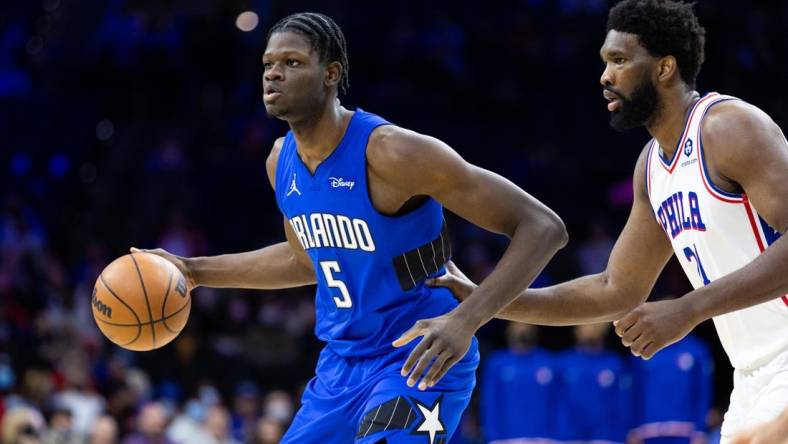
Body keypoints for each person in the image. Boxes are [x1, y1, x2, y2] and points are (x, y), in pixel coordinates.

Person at [135, 12, 567, 444]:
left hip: (418, 355)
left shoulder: (391, 152)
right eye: (268, 64)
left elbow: (542, 227)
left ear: (331, 74)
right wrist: (193, 271)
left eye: (292, 62)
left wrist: (465, 320)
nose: (273, 74)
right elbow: (304, 259)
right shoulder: (279, 162)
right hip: (340, 368)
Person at [429, 0, 788, 441]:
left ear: (664, 68)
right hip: (752, 374)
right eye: (605, 62)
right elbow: (613, 289)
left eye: (619, 60)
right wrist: (485, 301)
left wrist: (688, 309)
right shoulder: (652, 168)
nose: (605, 76)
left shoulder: (728, 126)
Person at [480, 323, 559, 442]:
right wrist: (492, 436)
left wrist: (557, 436)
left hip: (544, 437)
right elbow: (490, 400)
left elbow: (558, 402)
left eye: (526, 325)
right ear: (508, 330)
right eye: (517, 324)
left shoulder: (548, 361)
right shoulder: (497, 363)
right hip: (506, 438)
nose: (522, 329)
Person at [555, 323, 631, 442]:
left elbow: (623, 403)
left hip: (607, 435)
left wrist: (625, 431)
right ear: (576, 330)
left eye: (594, 326)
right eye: (585, 326)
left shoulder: (615, 363)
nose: (590, 330)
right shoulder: (563, 363)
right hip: (570, 435)